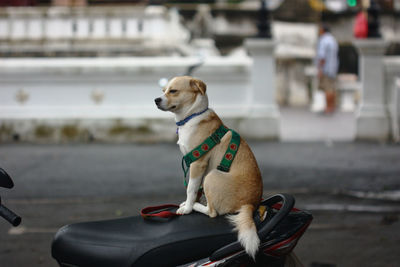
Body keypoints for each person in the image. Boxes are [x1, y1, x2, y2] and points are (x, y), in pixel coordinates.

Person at [316, 24, 339, 114]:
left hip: (326, 68)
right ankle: (332, 107)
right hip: (333, 68)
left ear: (323, 30)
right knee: (332, 88)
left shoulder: (323, 40)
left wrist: (320, 69)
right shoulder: (333, 40)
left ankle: (328, 108)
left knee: (327, 88)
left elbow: (322, 57)